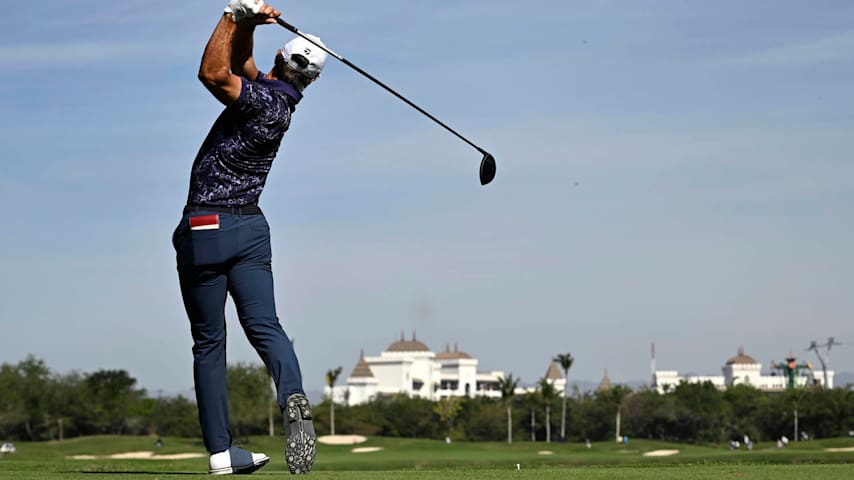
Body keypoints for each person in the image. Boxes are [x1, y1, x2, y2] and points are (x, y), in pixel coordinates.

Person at [171, 0, 327, 474]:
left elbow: (213, 73)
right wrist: (251, 23)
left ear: (282, 58)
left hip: (206, 226)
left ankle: (221, 451)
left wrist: (230, 15)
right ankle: (292, 395)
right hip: (251, 232)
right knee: (265, 325)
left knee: (209, 343)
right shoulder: (281, 99)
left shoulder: (261, 101)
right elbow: (241, 63)